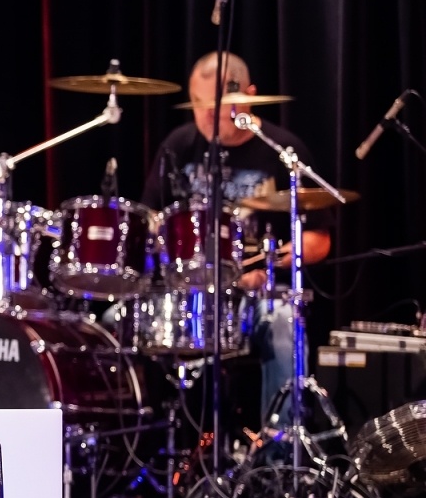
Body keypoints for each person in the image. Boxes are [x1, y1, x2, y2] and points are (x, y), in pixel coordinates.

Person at [139, 51, 332, 424]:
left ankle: (277, 458)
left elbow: (319, 240)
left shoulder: (282, 151)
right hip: (186, 296)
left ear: (249, 95)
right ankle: (133, 454)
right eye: (199, 104)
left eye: (219, 105)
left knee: (283, 324)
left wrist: (274, 261)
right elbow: (150, 220)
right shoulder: (179, 145)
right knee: (115, 324)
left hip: (254, 295)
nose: (208, 114)